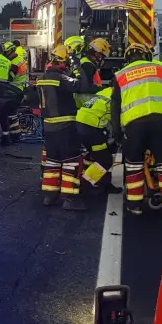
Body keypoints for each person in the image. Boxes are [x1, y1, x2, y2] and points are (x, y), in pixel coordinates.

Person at [112, 42, 162, 219]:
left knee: (134, 165)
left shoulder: (120, 75)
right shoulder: (159, 69)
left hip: (134, 125)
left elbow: (115, 107)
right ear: (146, 55)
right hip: (160, 122)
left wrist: (117, 132)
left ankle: (135, 205)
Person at [37, 44, 102, 211]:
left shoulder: (42, 78)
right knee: (71, 162)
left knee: (52, 162)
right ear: (63, 62)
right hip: (65, 127)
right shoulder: (62, 79)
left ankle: (50, 196)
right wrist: (77, 66)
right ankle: (70, 199)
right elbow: (83, 85)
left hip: (48, 127)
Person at [75, 86, 122, 195]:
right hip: (91, 127)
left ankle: (105, 184)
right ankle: (85, 184)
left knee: (101, 153)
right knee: (105, 160)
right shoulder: (120, 96)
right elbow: (119, 120)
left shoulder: (107, 91)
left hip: (80, 122)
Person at [75, 38, 110, 106]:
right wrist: (103, 89)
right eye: (101, 56)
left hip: (82, 99)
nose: (102, 59)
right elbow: (87, 86)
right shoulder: (88, 65)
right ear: (96, 54)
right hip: (85, 99)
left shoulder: (84, 61)